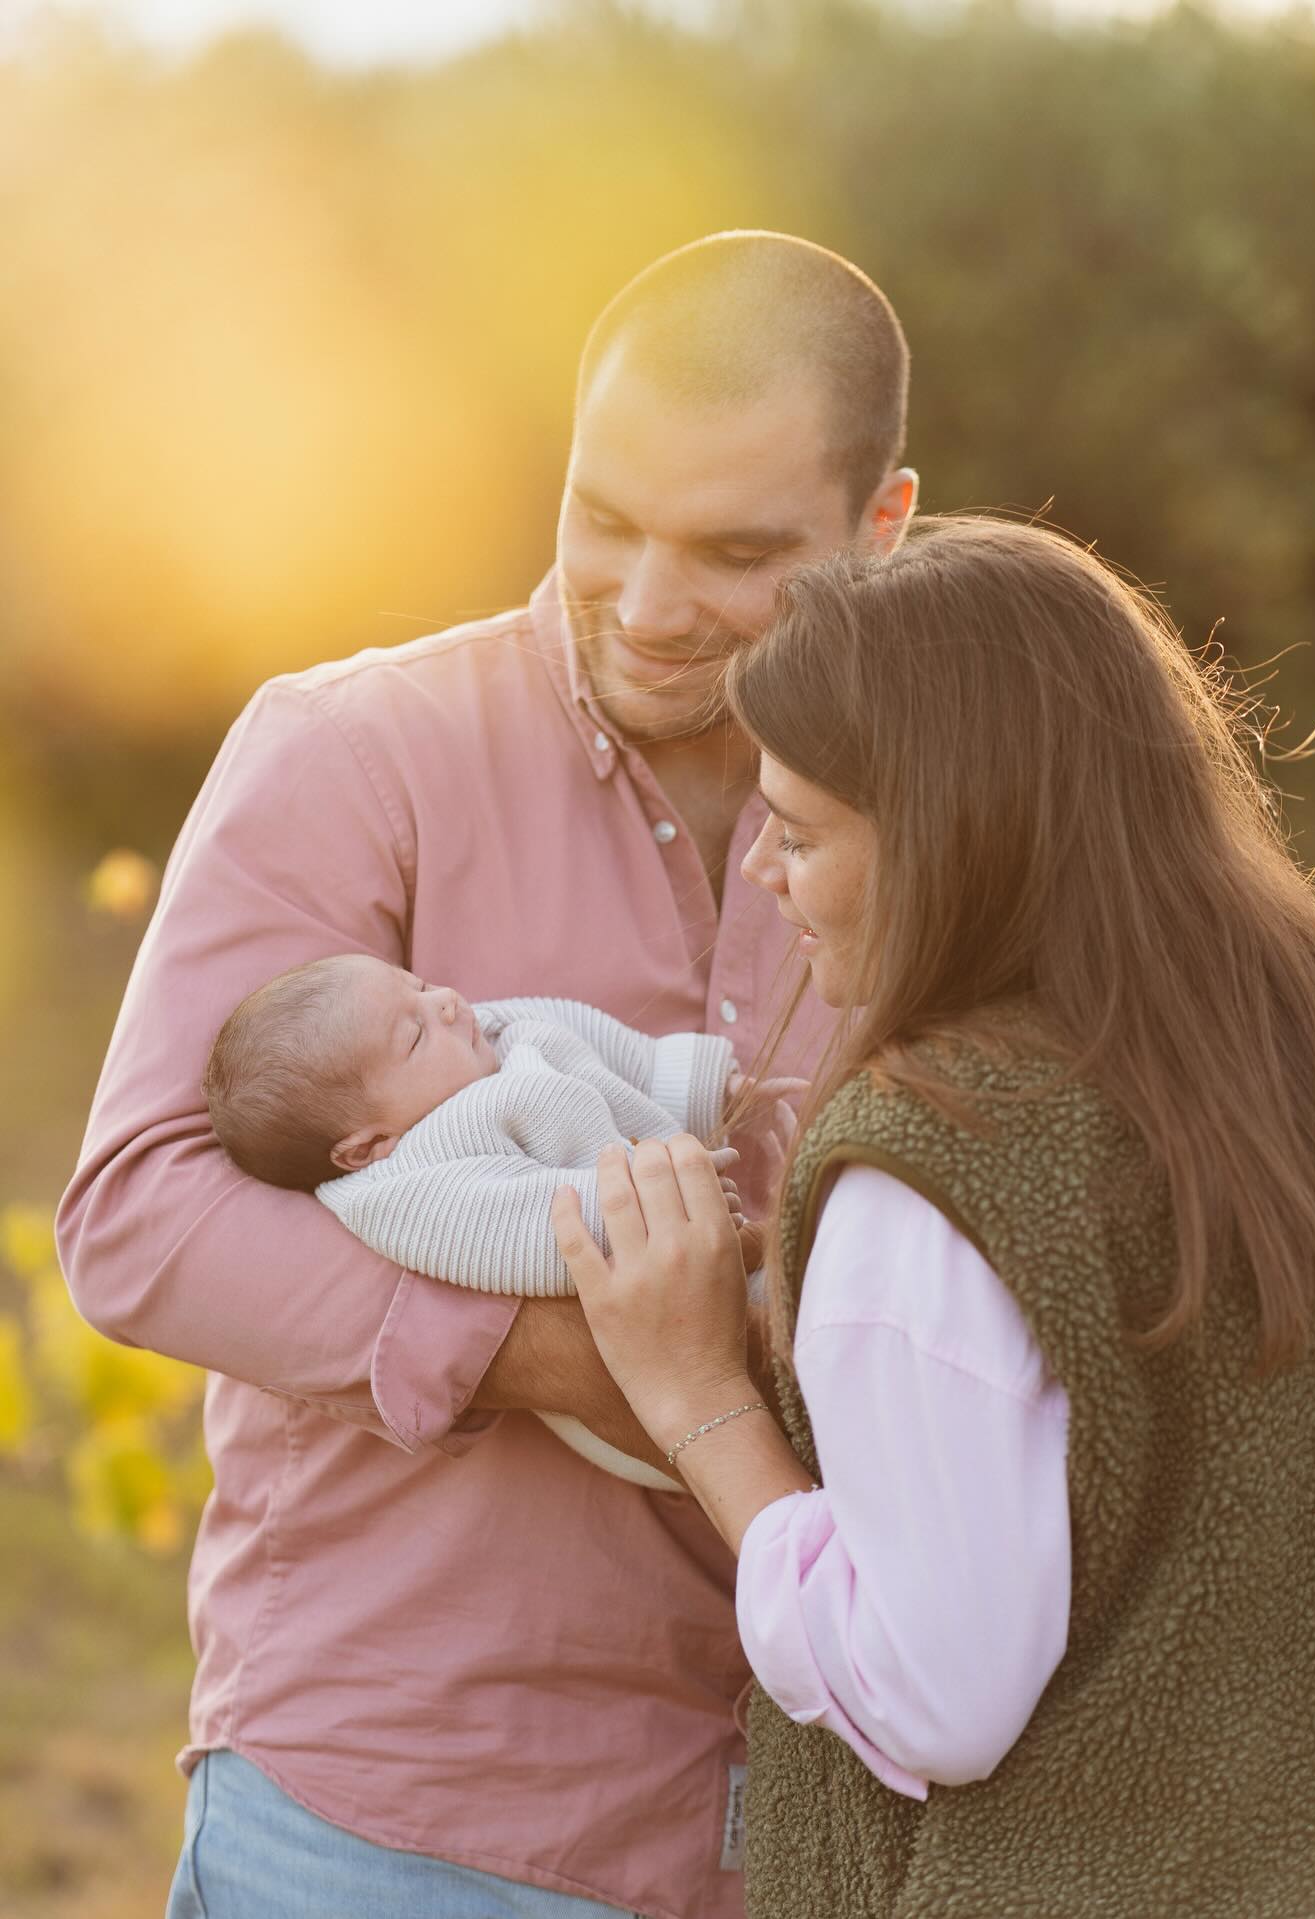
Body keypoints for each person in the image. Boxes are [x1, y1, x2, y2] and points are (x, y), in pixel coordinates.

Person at [55, 232, 918, 1919]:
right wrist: (575, 1362)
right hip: (396, 1825)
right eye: (605, 518)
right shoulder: (353, 751)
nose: (650, 602)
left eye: (737, 550)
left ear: (880, 528)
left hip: (835, 1834)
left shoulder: (958, 820)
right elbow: (140, 1212)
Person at [553, 516, 1315, 1919]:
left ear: (955, 835)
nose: (770, 880)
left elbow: (933, 1694)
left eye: (798, 832)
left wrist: (699, 1393)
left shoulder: (934, 1169)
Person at [204, 950, 771, 1488]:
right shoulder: (406, 1182)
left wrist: (706, 1086)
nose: (445, 1002)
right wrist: (664, 1204)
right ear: (366, 1146)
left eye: (418, 985)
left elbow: (595, 1039)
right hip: (646, 1365)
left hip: (690, 1236)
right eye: (415, 1034)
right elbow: (533, 1230)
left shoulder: (493, 1035)